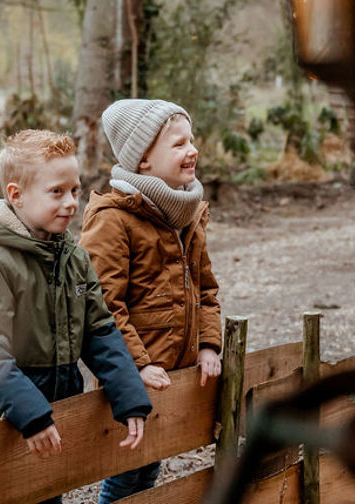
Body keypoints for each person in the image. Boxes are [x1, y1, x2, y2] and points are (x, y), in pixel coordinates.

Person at [0, 129, 153, 504]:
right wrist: (32, 414)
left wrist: (130, 400)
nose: (71, 203)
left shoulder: (73, 258)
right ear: (16, 195)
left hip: (53, 416)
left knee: (46, 492)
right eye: (56, 192)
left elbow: (99, 331)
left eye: (75, 190)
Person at [81, 98, 222, 504]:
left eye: (191, 140)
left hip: (171, 376)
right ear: (143, 160)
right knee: (127, 478)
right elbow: (103, 304)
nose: (192, 150)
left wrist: (209, 344)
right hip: (135, 376)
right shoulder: (114, 219)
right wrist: (137, 365)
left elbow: (206, 289)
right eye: (178, 144)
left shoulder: (187, 213)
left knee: (150, 469)